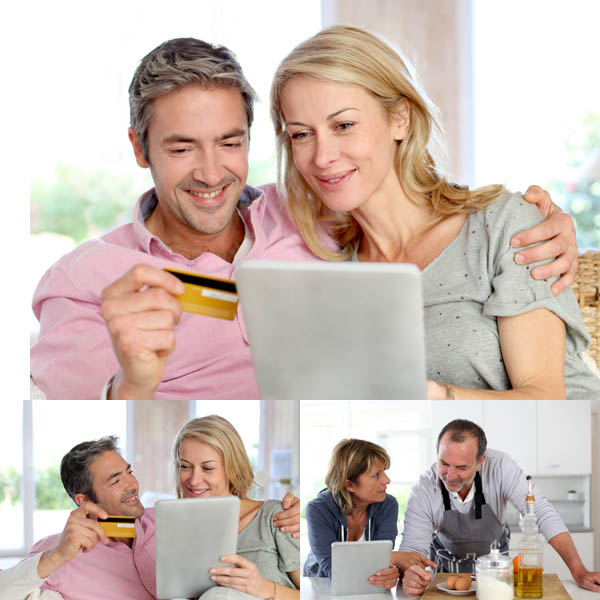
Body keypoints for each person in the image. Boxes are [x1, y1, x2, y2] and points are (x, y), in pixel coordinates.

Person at [31, 36, 579, 401]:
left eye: (229, 141)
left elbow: (429, 210)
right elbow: (76, 426)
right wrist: (133, 384)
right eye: (180, 149)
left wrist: (547, 219)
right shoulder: (82, 281)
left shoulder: (311, 223)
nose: (210, 172)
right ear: (139, 148)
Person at [270, 24, 600, 399]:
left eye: (343, 125)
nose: (322, 156)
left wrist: (431, 396)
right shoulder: (330, 272)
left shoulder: (504, 226)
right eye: (301, 134)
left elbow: (545, 398)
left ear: (400, 119)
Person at [0, 435, 300, 600]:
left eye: (129, 471)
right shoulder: (59, 553)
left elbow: (235, 510)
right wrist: (55, 556)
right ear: (85, 500)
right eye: (116, 480)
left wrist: (288, 511)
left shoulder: (170, 520)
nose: (132, 484)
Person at [399, 419, 600, 594]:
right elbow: (412, 550)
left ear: (480, 462)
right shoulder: (424, 488)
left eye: (461, 467)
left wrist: (579, 571)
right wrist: (410, 575)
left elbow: (541, 513)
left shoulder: (501, 467)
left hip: (496, 567)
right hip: (445, 571)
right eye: (443, 463)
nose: (450, 476)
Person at [173, 416, 299, 599]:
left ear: (232, 468)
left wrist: (265, 588)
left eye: (207, 468)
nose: (193, 480)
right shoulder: (179, 530)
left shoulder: (275, 517)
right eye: (185, 466)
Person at [304, 439, 432, 590]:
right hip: (321, 588)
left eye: (384, 471)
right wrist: (394, 557)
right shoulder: (318, 509)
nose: (387, 480)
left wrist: (390, 573)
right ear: (349, 485)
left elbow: (381, 568)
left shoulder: (387, 505)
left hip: (368, 588)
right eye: (376, 475)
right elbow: (334, 570)